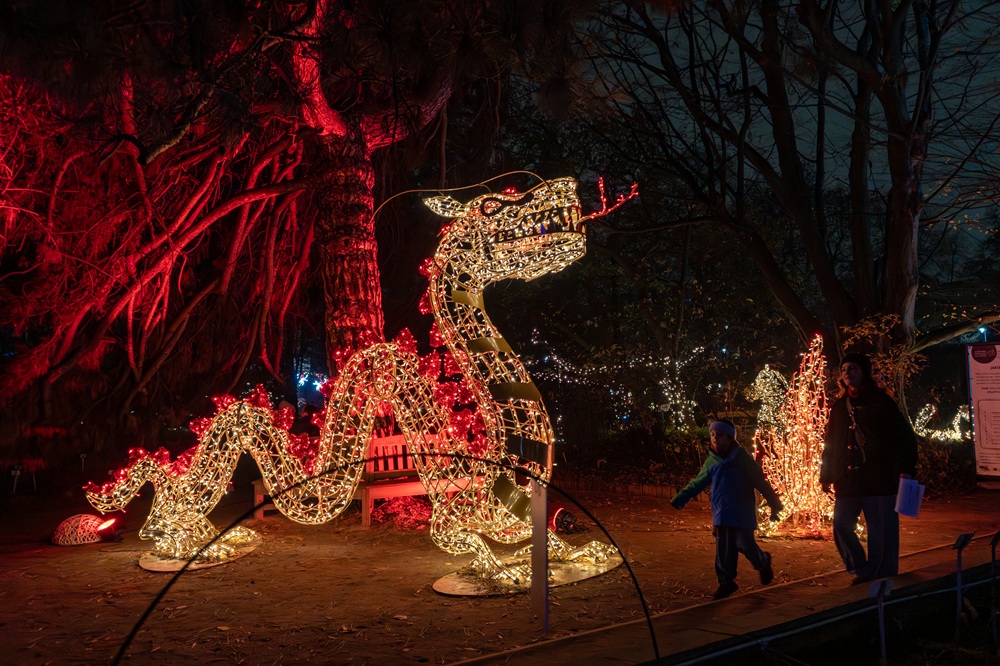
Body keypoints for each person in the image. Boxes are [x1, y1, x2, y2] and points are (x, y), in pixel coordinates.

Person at [820, 352, 919, 585]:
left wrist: (906, 468)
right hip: (848, 478)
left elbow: (904, 438)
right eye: (844, 369)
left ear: (864, 371)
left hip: (879, 476)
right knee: (841, 524)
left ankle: (881, 577)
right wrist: (826, 475)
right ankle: (860, 569)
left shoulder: (881, 402)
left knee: (881, 531)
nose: (847, 373)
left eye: (853, 368)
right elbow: (830, 442)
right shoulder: (839, 408)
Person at [671, 419, 783, 599]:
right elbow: (698, 483)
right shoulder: (711, 461)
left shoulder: (742, 459)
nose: (715, 438)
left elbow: (760, 482)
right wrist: (680, 498)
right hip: (721, 513)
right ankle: (726, 582)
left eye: (720, 435)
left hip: (741, 513)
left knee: (745, 544)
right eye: (713, 434)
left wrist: (774, 504)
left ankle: (762, 562)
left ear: (730, 438)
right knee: (723, 549)